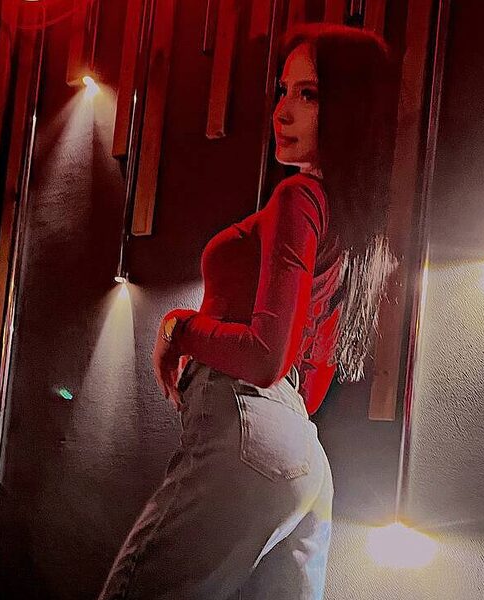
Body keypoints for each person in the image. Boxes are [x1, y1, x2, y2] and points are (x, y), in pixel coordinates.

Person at [99, 23, 398, 600]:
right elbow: (308, 383)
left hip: (248, 423)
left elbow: (265, 358)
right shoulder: (355, 224)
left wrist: (180, 328)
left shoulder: (299, 197)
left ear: (349, 109)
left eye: (309, 94)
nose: (282, 111)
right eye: (283, 91)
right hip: (305, 459)